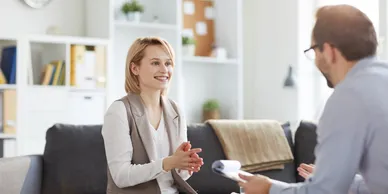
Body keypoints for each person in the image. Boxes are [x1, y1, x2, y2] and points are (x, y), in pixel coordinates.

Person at [238, 4, 388, 194]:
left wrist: (268, 188)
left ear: (328, 51)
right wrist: (337, 177)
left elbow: (324, 192)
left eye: (314, 51)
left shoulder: (348, 97)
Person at [101, 36, 204, 194]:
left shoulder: (175, 110)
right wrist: (168, 162)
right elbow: (121, 176)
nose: (164, 70)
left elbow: (180, 175)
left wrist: (185, 164)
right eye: (155, 63)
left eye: (168, 63)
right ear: (135, 68)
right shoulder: (119, 111)